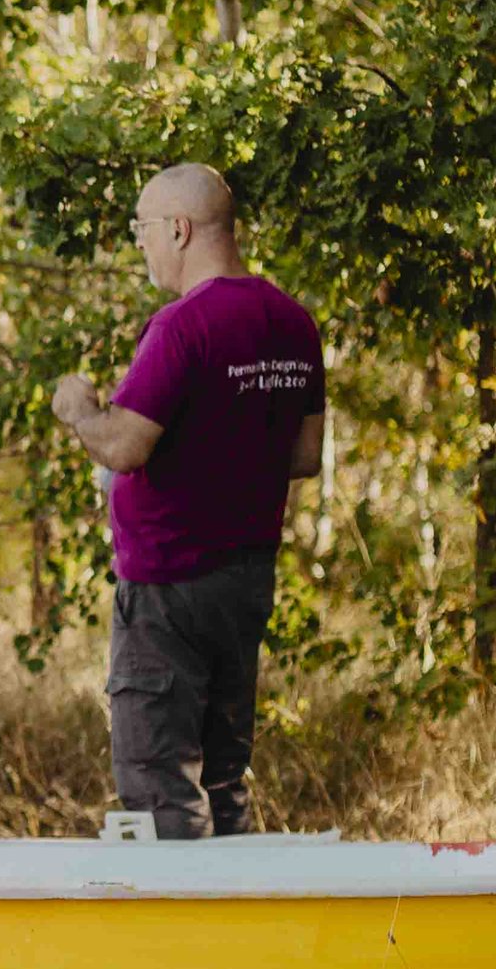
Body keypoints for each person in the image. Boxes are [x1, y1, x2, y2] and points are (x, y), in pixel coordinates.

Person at [50, 162, 326, 841]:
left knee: (156, 779)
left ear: (179, 229)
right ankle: (234, 928)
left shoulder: (182, 327)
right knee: (224, 776)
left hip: (168, 588)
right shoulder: (293, 322)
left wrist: (79, 409)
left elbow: (123, 446)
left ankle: (176, 933)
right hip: (244, 581)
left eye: (143, 228)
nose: (139, 243)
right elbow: (304, 456)